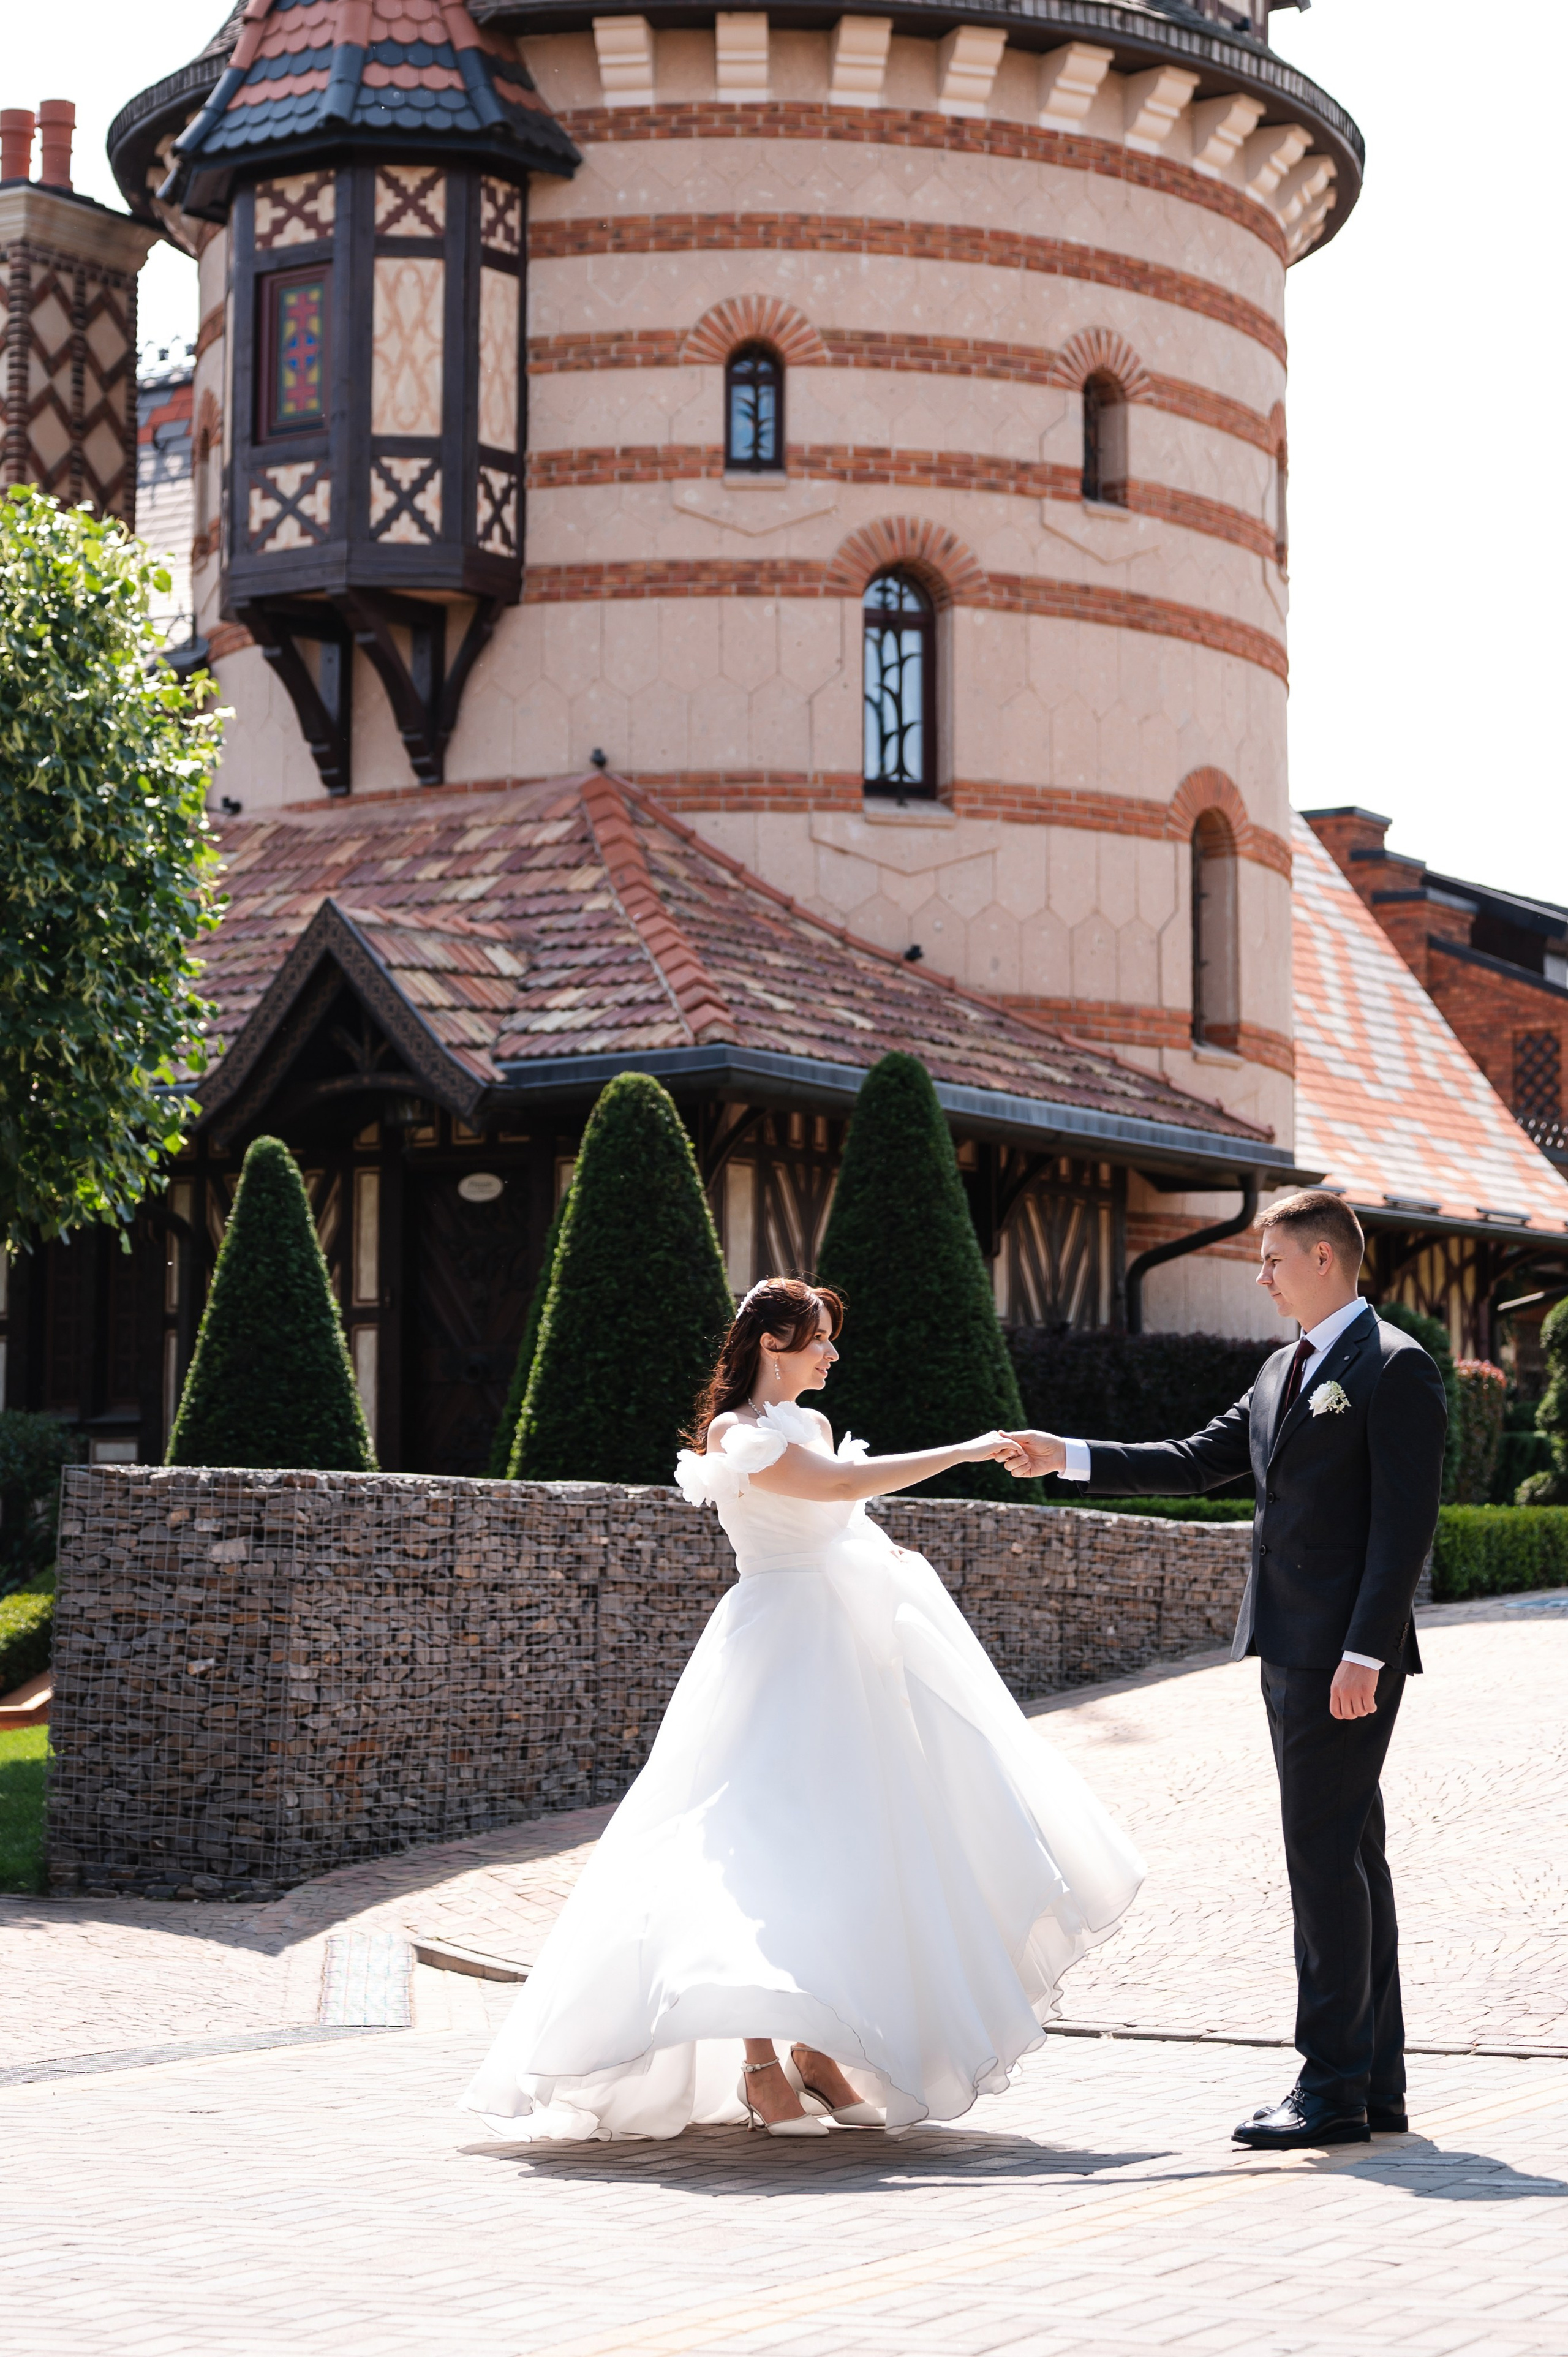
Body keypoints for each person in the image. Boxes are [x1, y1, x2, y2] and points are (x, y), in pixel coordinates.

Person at [464, 1276, 1144, 2140]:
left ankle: (818, 2053)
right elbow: (833, 1488)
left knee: (849, 1846)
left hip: (849, 1648)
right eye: (817, 1337)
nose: (831, 1351)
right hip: (776, 1648)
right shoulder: (734, 1432)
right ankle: (760, 2066)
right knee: (755, 1846)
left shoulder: (813, 1424)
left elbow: (845, 1518)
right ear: (771, 1344)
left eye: (828, 1336)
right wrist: (966, 1450)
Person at [1002, 1190, 1447, 2151]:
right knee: (1350, 1856)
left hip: (1343, 1659)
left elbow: (1405, 1525)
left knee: (1322, 1862)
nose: (1261, 1276)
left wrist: (1365, 1652)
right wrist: (1064, 1454)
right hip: (1285, 1644)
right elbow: (1197, 1460)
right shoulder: (1284, 1368)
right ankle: (1373, 2084)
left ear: (1324, 1260)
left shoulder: (1395, 1367)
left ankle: (1329, 2089)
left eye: (1273, 1259)